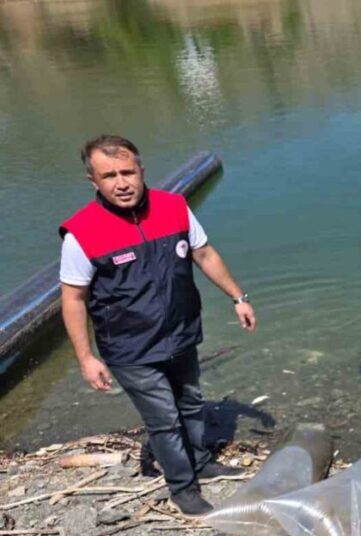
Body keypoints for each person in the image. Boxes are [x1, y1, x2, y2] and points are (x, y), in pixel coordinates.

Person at [58, 135, 257, 515]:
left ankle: (200, 461)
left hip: (181, 333)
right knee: (164, 419)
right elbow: (74, 299)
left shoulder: (174, 207)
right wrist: (86, 357)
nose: (122, 183)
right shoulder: (82, 233)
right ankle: (183, 488)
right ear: (93, 182)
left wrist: (238, 297)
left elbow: (205, 253)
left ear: (141, 170)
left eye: (128, 172)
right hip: (129, 347)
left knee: (191, 402)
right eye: (109, 175)